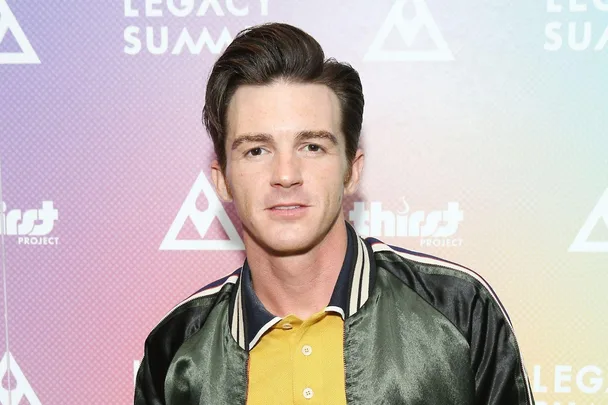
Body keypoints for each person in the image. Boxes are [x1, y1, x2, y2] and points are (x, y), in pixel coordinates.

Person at [135, 22, 535, 405]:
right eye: (256, 150)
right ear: (221, 180)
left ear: (351, 171)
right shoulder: (176, 352)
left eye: (312, 147)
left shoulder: (459, 310)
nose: (286, 175)